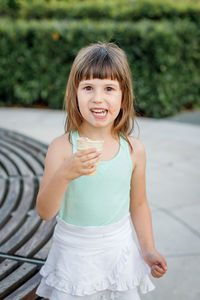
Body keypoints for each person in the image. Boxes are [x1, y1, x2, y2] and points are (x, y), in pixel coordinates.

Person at [36, 42, 167, 300]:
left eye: (108, 88)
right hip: (74, 256)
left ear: (123, 96)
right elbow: (45, 211)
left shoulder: (133, 150)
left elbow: (138, 205)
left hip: (119, 252)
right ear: (74, 94)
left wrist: (148, 249)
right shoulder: (62, 148)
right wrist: (65, 173)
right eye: (88, 88)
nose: (98, 98)